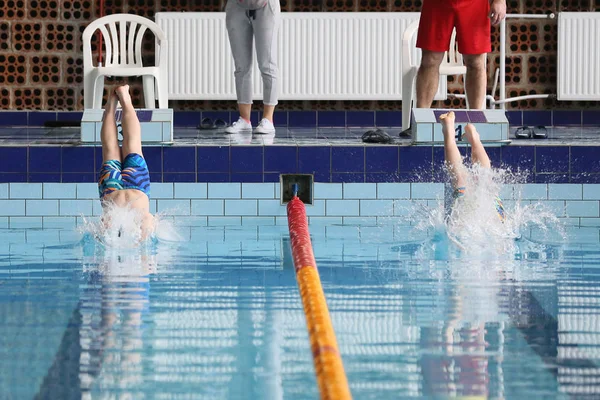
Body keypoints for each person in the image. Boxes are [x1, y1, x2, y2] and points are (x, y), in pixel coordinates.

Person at [415, 0, 507, 110]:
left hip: (475, 4)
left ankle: (475, 118)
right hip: (437, 4)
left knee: (476, 63)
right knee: (429, 61)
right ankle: (421, 118)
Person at [98, 84, 155, 241]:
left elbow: (148, 219)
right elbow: (103, 225)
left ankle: (125, 99)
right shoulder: (116, 223)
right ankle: (111, 103)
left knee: (133, 143)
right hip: (111, 192)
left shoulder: (138, 223)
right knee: (110, 147)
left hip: (138, 186)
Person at [224, 0, 281, 135]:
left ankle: (268, 119)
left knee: (267, 64)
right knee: (241, 67)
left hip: (266, 6)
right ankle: (245, 120)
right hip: (236, 6)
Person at [440, 111, 506, 226]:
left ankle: (475, 139)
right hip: (482, 222)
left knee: (484, 178)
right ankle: (449, 131)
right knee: (461, 177)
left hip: (492, 208)